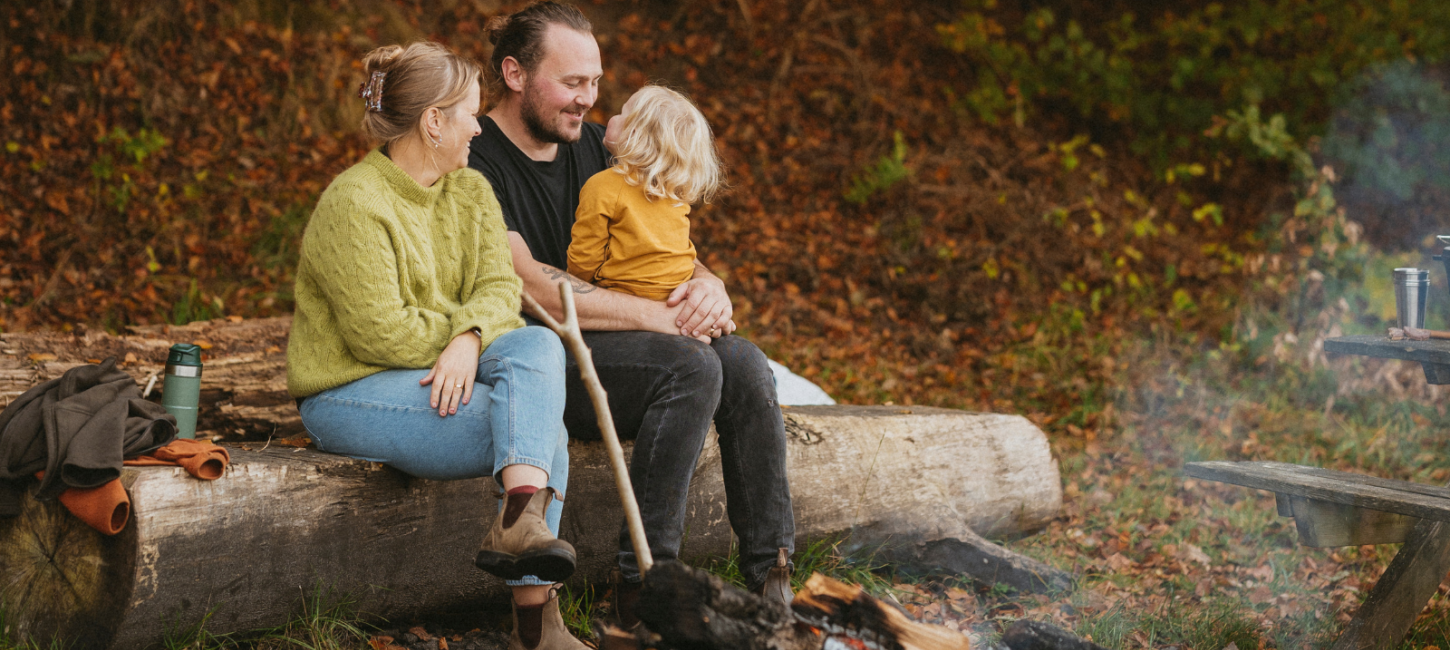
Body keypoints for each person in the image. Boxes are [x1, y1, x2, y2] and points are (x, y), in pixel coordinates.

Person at [467, 2, 796, 626]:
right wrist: (660, 318)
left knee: (746, 363)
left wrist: (708, 287)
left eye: (594, 82)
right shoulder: (478, 161)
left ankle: (772, 578)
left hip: (629, 349)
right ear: (514, 74)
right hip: (541, 363)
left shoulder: (597, 146)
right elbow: (530, 283)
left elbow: (664, 245)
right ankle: (646, 583)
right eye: (572, 83)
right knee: (691, 367)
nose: (588, 99)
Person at [286, 41, 588, 650]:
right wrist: (461, 337)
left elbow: (501, 288)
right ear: (433, 122)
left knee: (537, 346)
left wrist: (473, 337)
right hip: (349, 391)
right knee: (536, 432)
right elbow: (379, 331)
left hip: (433, 370)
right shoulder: (355, 202)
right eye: (470, 112)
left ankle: (517, 530)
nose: (479, 125)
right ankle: (536, 623)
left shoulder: (471, 191)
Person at [566, 85, 722, 300]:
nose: (613, 117)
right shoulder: (673, 190)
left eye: (621, 113)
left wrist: (573, 285)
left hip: (625, 295)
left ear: (634, 134)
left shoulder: (602, 186)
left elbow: (586, 256)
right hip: (678, 293)